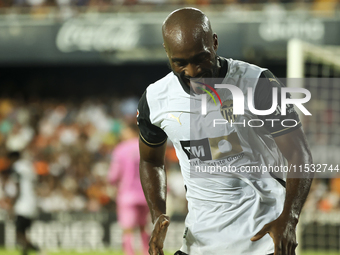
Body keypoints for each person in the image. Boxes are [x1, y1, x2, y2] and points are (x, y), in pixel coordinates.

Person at [137, 7, 313, 255]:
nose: (193, 71)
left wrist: (290, 218)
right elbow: (149, 160)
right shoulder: (155, 99)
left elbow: (299, 154)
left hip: (262, 240)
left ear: (215, 42)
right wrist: (157, 215)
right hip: (199, 243)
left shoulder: (258, 83)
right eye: (180, 63)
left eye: (200, 58)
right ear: (167, 54)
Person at [108, 123, 150, 255]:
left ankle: (129, 252)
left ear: (130, 131)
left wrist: (113, 183)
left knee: (127, 228)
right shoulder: (147, 146)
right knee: (143, 226)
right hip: (146, 194)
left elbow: (113, 175)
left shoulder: (120, 149)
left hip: (127, 194)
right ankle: (146, 251)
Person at [5, 151, 41, 255]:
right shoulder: (29, 166)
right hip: (32, 202)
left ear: (12, 158)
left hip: (23, 203)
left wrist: (12, 205)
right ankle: (25, 253)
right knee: (23, 232)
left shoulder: (16, 167)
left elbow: (18, 188)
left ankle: (39, 250)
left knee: (18, 233)